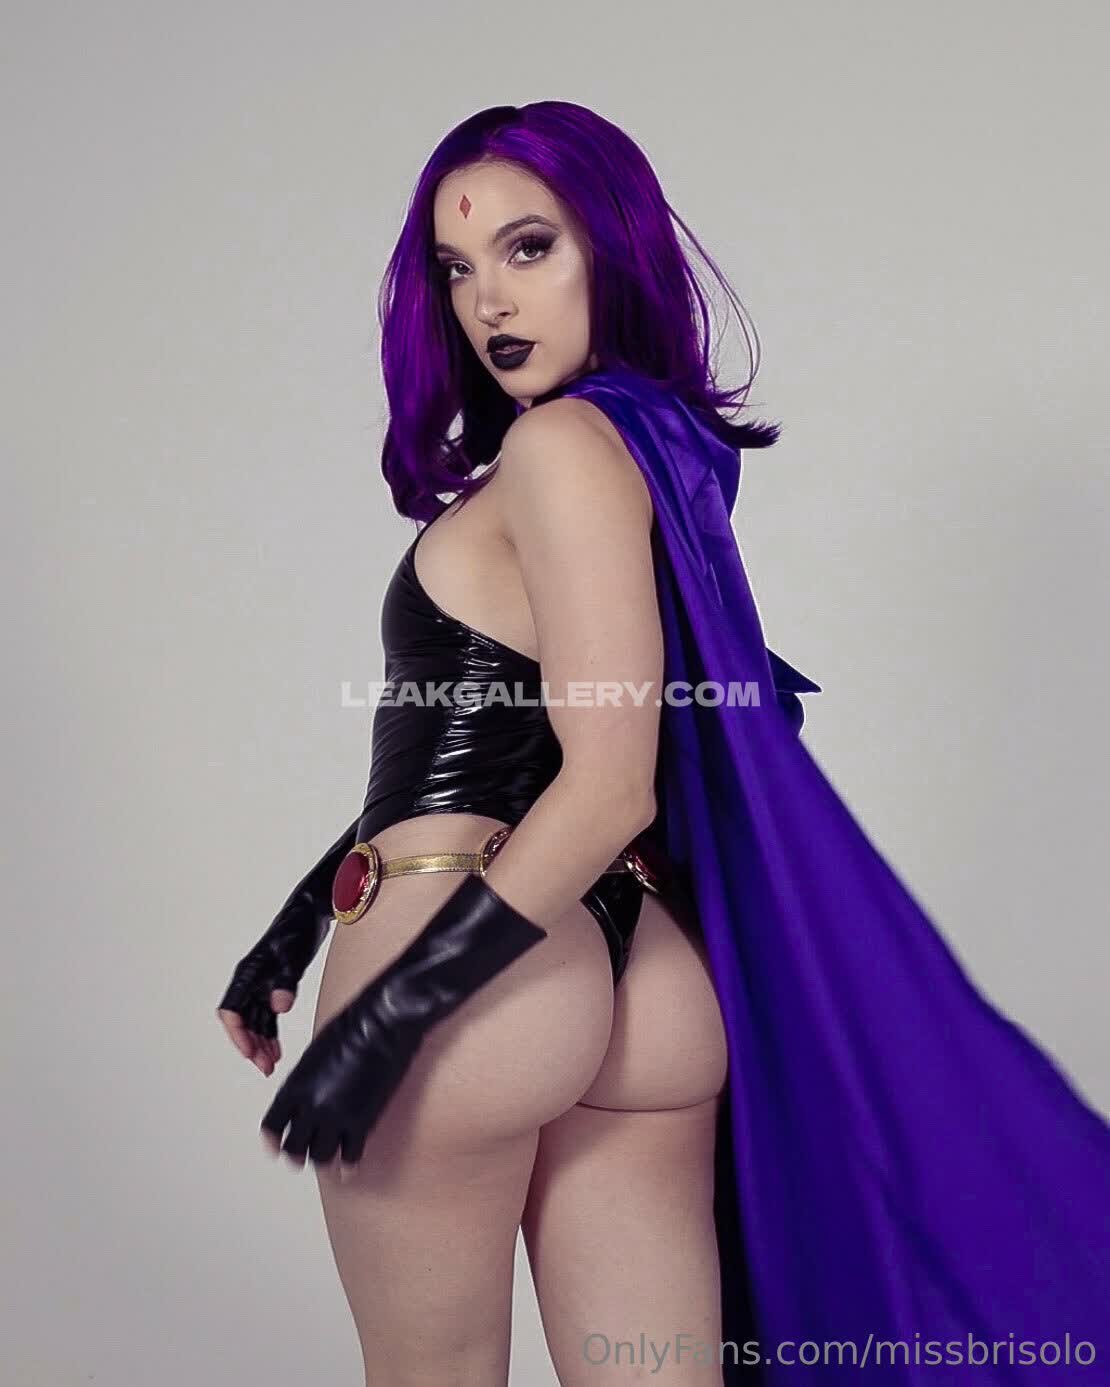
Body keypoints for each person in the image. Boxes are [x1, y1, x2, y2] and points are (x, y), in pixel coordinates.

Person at [217, 102, 1110, 1387]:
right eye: (457, 268)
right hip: (650, 984)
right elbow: (507, 738)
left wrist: (389, 1019)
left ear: (615, 246)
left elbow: (606, 782)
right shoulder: (641, 447)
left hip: (469, 962)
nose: (488, 299)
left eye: (531, 247)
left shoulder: (556, 448)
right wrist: (299, 924)